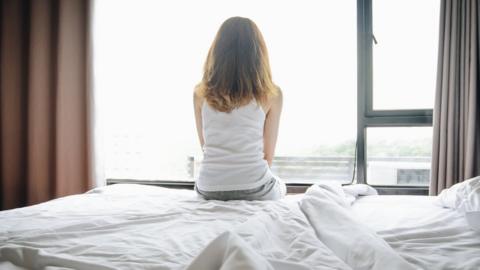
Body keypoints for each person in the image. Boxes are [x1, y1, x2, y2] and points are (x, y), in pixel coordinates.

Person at [193, 17, 286, 200]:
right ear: (258, 53)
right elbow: (267, 158)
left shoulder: (199, 93)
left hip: (208, 188)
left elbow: (206, 147)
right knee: (281, 185)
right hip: (254, 188)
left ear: (217, 51)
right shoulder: (272, 94)